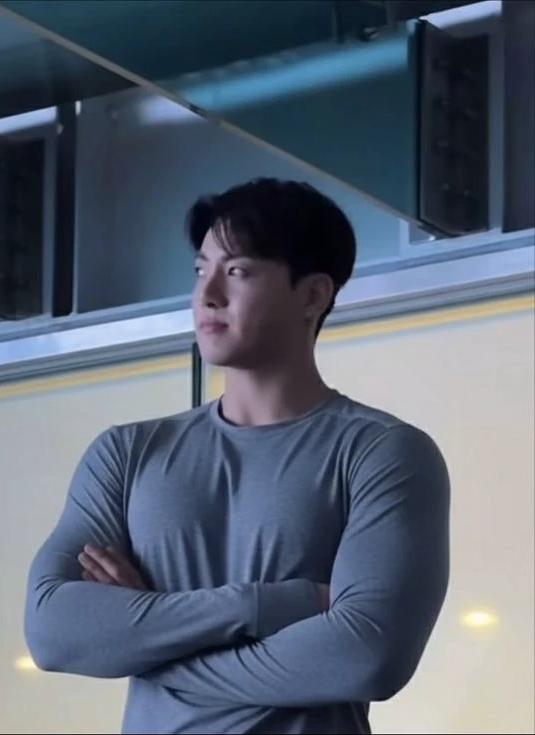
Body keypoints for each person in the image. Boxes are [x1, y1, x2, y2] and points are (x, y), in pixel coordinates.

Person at [24, 178, 451, 734]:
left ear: (313, 295)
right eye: (200, 269)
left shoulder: (382, 452)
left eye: (238, 271)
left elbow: (367, 657)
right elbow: (53, 631)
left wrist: (148, 641)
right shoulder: (125, 454)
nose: (208, 294)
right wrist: (275, 605)